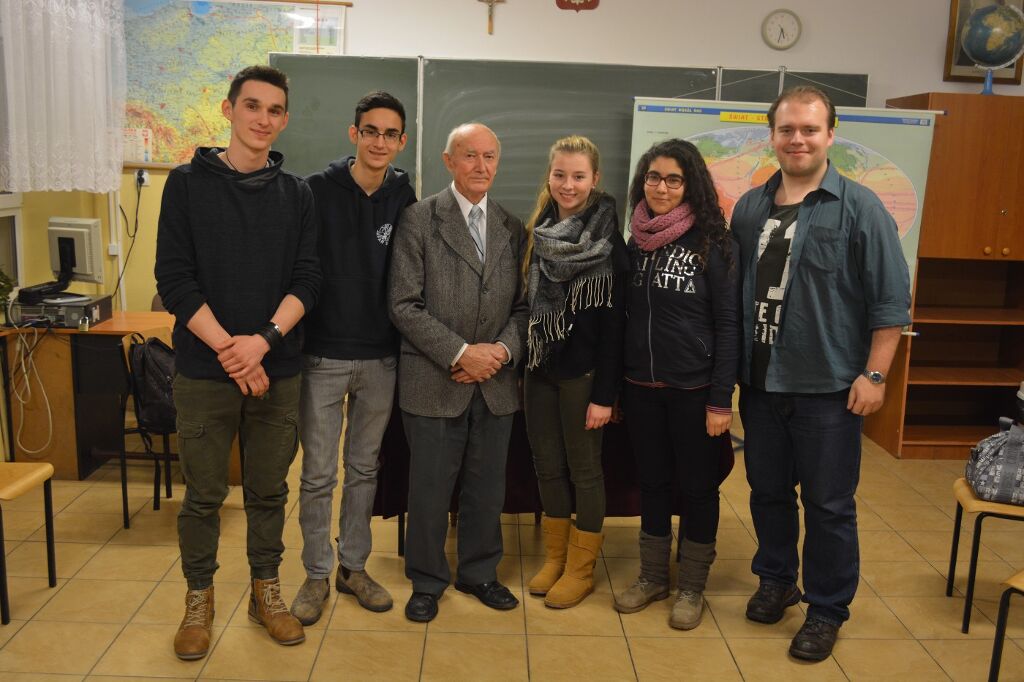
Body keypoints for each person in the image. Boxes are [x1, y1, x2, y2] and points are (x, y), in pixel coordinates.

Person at [731, 86, 911, 660]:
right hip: (760, 384)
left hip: (829, 390)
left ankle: (827, 608)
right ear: (772, 136)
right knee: (768, 493)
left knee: (829, 506)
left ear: (830, 134)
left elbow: (890, 303)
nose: (798, 139)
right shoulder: (750, 208)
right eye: (787, 129)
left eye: (809, 129)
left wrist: (875, 376)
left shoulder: (861, 207)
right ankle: (777, 579)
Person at [155, 64, 321, 660]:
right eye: (252, 106)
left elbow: (308, 280)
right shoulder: (185, 184)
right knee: (203, 496)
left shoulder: (297, 194)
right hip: (205, 372)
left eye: (274, 110)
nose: (262, 119)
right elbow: (174, 280)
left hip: (277, 368)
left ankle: (265, 593)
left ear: (284, 120)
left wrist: (263, 343)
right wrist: (233, 350)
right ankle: (198, 599)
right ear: (229, 110)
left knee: (269, 492)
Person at [389, 122, 528, 623]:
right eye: (470, 155)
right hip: (435, 378)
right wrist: (462, 353)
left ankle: (479, 573)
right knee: (429, 489)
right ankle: (427, 581)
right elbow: (403, 304)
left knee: (486, 488)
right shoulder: (419, 219)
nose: (481, 166)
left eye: (489, 156)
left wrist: (500, 353)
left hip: (495, 383)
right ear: (449, 161)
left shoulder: (512, 226)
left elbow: (524, 307)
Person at [288, 91, 417, 625]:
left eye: (389, 134)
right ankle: (316, 574)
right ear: (353, 134)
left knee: (364, 469)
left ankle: (353, 568)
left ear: (401, 141)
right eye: (370, 131)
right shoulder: (314, 191)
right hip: (322, 356)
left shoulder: (404, 195)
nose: (379, 142)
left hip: (381, 359)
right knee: (318, 474)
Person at [613, 139, 740, 631]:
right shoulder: (634, 242)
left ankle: (691, 585)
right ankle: (652, 577)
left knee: (698, 488)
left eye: (673, 179)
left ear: (691, 186)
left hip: (694, 391)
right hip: (641, 387)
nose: (661, 188)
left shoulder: (715, 243)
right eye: (653, 177)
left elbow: (728, 325)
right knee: (652, 484)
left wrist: (721, 400)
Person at [521, 135, 627, 609]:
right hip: (539, 369)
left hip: (584, 377)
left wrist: (605, 395)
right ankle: (556, 558)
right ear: (549, 176)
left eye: (578, 176)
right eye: (560, 174)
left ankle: (581, 570)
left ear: (595, 179)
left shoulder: (609, 244)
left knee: (585, 472)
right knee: (547, 467)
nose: (568, 185)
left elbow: (615, 330)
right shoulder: (539, 232)